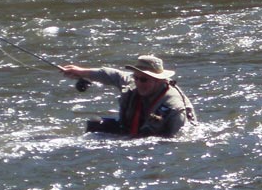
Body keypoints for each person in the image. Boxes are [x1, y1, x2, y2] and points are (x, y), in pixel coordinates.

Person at [62, 55, 196, 138]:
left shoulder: (171, 106)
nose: (138, 83)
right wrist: (82, 72)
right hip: (135, 130)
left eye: (143, 80)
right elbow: (111, 74)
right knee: (95, 124)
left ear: (160, 81)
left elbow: (166, 137)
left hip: (159, 136)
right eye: (135, 78)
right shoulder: (134, 82)